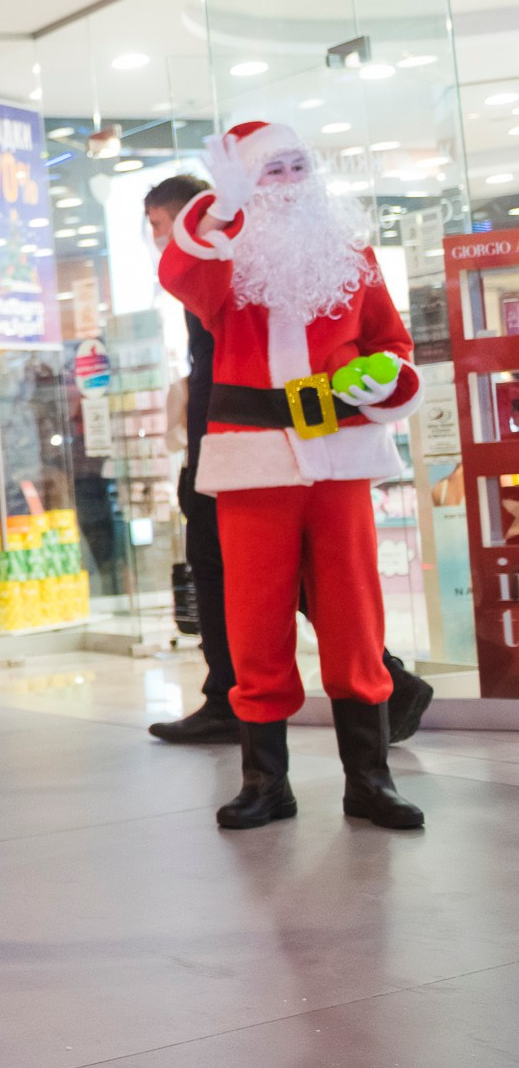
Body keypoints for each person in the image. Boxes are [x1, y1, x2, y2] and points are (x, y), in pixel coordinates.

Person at [158, 121, 426, 830]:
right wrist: (222, 206)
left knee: (355, 616)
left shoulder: (352, 254)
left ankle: (369, 778)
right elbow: (179, 270)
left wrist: (385, 378)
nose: (288, 181)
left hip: (340, 457)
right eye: (268, 171)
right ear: (244, 183)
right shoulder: (225, 261)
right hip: (254, 464)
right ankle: (266, 782)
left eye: (297, 166)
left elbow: (393, 344)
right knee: (256, 622)